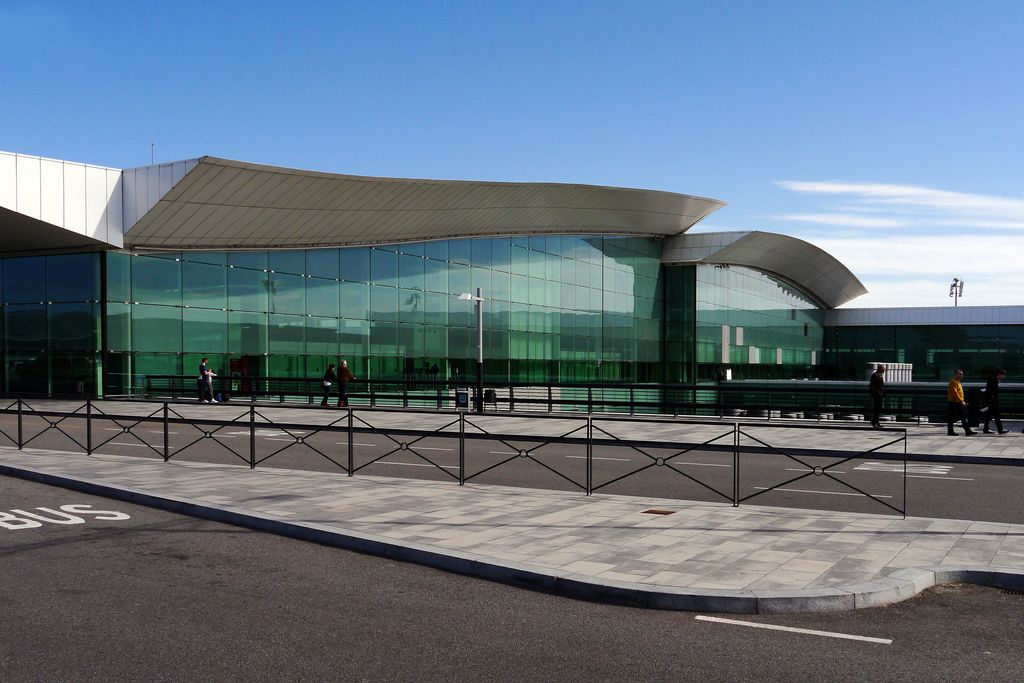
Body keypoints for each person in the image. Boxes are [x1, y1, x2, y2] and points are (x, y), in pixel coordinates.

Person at [946, 368, 974, 436]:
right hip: (954, 403)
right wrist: (961, 401)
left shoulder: (958, 382)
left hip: (958, 402)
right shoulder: (953, 382)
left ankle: (968, 431)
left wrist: (962, 401)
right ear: (956, 374)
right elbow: (955, 393)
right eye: (960, 374)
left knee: (963, 417)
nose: (962, 375)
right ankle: (951, 431)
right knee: (952, 418)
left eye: (962, 374)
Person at [983, 368, 1008, 434]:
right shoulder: (992, 379)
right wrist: (992, 401)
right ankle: (1000, 429)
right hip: (991, 400)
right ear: (1000, 374)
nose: (1004, 377)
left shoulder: (996, 379)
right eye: (1004, 375)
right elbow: (990, 391)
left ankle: (986, 429)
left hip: (993, 400)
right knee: (996, 415)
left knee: (989, 415)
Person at [869, 364, 886, 429]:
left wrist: (883, 393)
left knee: (879, 409)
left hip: (880, 395)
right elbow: (872, 386)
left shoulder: (880, 375)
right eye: (883, 369)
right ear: (879, 369)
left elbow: (881, 386)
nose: (884, 370)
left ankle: (876, 422)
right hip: (876, 395)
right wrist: (876, 394)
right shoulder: (875, 376)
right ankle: (874, 423)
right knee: (876, 409)